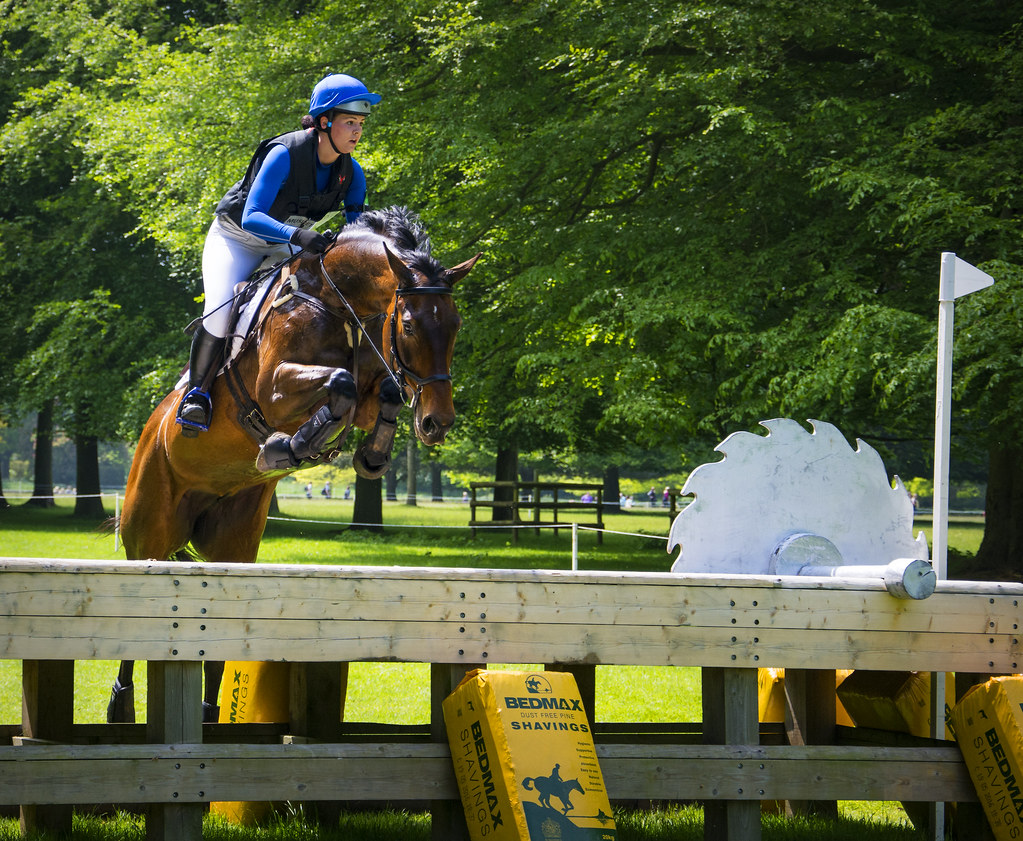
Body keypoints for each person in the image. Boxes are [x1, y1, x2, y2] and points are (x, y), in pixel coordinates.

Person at [176, 73, 381, 434]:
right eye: (350, 122)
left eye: (360, 123)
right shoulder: (284, 154)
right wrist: (302, 236)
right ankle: (196, 395)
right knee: (221, 311)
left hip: (285, 244)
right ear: (324, 121)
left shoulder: (353, 175)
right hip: (236, 238)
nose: (357, 131)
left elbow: (357, 234)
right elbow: (253, 216)